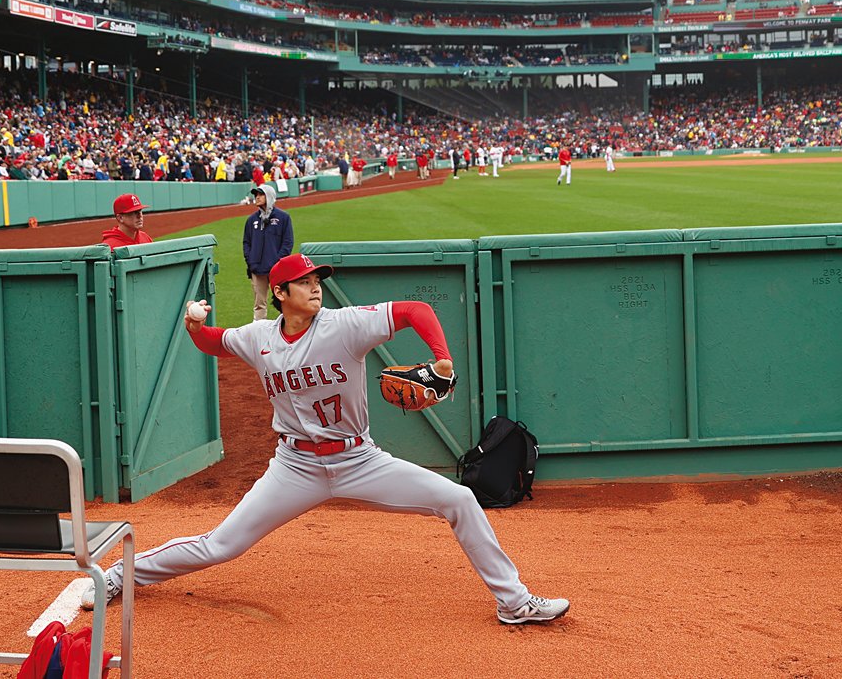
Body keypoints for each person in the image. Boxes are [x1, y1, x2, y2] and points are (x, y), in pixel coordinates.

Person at [82, 252, 569, 626]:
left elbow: (415, 309)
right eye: (307, 282)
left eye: (318, 281)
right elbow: (214, 343)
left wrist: (441, 358)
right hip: (294, 468)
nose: (316, 288)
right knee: (222, 545)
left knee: (459, 499)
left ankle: (514, 602)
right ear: (280, 293)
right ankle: (123, 573)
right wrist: (194, 325)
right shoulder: (259, 337)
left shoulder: (345, 325)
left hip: (362, 461)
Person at [243, 184, 294, 322]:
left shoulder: (283, 217)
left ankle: (287, 327)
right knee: (259, 304)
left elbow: (288, 242)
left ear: (269, 196)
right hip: (257, 269)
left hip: (276, 269)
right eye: (256, 195)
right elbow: (246, 242)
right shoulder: (251, 220)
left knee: (283, 300)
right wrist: (250, 260)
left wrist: (278, 261)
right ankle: (258, 331)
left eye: (260, 194)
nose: (257, 197)